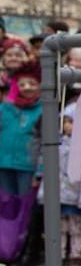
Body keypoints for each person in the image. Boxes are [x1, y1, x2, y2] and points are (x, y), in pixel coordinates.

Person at [54, 103, 81, 266]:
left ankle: (76, 254)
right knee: (59, 227)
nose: (67, 126)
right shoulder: (57, 144)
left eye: (71, 122)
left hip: (76, 193)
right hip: (60, 194)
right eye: (65, 122)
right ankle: (59, 254)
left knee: (76, 227)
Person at [0, 59, 42, 198]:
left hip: (28, 167)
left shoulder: (43, 110)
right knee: (6, 206)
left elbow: (46, 143)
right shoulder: (5, 108)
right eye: (22, 84)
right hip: (3, 165)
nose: (27, 87)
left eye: (32, 83)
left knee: (25, 207)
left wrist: (40, 171)